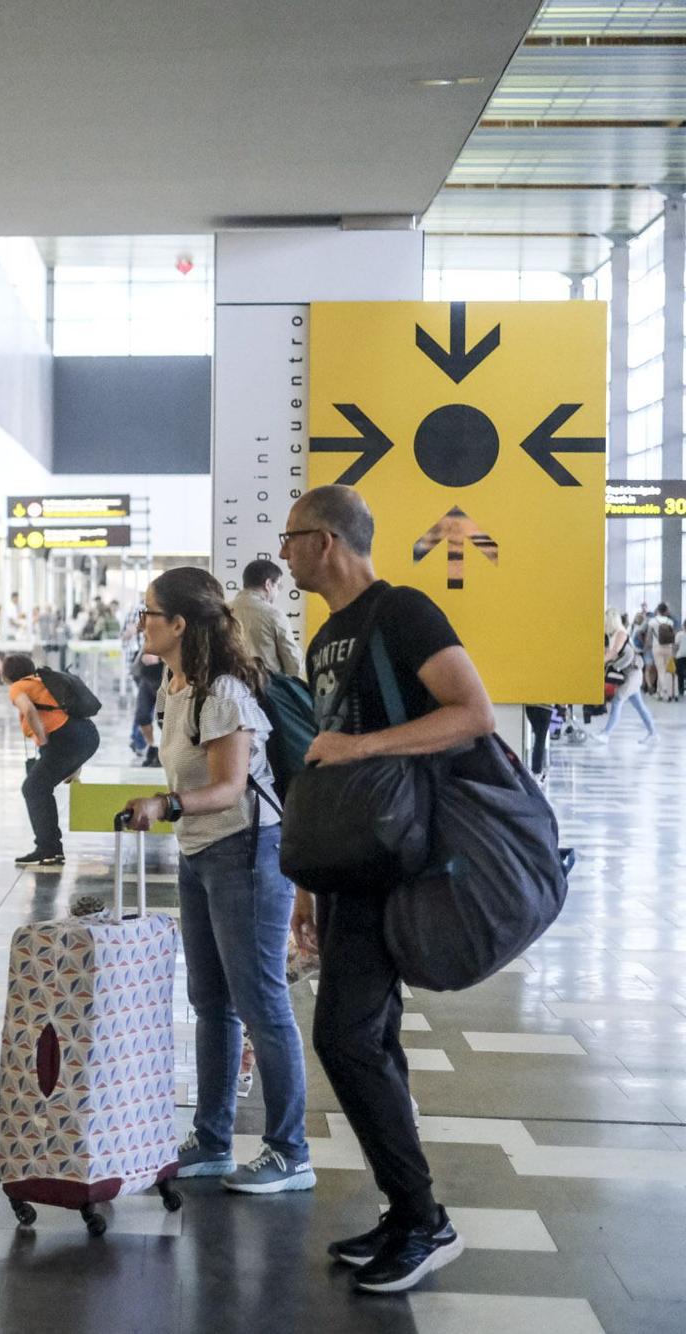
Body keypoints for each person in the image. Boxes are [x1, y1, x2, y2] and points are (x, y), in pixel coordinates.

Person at [280, 484, 495, 1293]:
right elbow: (327, 764)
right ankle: (407, 1214)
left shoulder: (405, 612)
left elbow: (473, 712)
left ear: (327, 540)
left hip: (404, 856)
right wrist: (310, 887)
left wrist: (366, 747)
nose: (285, 550)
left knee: (343, 1037)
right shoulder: (325, 636)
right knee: (372, 1039)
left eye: (292, 536)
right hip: (351, 862)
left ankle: (426, 1217)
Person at [119, 568, 313, 1196]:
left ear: (179, 624)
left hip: (249, 852)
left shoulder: (224, 690)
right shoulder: (173, 685)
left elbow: (229, 788)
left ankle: (291, 1152)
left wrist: (166, 804)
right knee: (210, 1003)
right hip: (201, 853)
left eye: (150, 612)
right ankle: (212, 1140)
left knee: (261, 1003)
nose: (142, 622)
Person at [6, 653, 101, 867]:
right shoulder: (42, 682)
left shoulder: (18, 687)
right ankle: (51, 849)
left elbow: (29, 710)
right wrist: (76, 763)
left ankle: (48, 849)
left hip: (65, 740)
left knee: (33, 788)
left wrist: (42, 739)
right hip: (87, 734)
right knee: (38, 786)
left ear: (5, 677)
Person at [231, 558, 303, 677]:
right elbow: (293, 663)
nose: (278, 592)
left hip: (232, 687)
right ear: (268, 584)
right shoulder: (273, 615)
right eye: (278, 586)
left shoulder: (224, 610)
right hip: (267, 687)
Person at [600, 609, 657, 744]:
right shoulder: (612, 635)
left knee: (617, 700)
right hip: (628, 674)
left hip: (632, 674)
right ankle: (653, 733)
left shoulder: (621, 634)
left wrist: (598, 662)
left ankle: (606, 734)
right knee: (640, 706)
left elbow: (613, 653)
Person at [651, 602, 678, 702]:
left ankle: (666, 692)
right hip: (668, 647)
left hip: (657, 647)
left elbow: (648, 634)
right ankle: (659, 693)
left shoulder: (652, 621)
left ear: (658, 610)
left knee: (660, 671)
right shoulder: (670, 621)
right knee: (664, 670)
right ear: (666, 611)